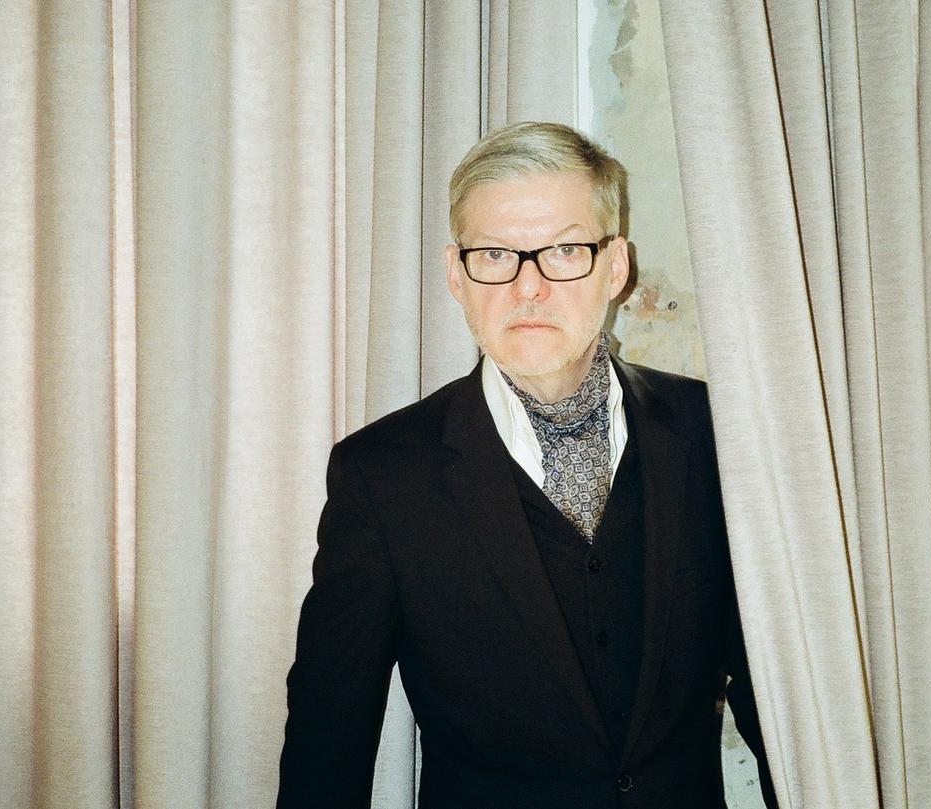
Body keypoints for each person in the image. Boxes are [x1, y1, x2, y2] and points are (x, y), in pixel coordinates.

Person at [277, 121, 776, 808]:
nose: (529, 286)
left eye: (566, 250)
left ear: (616, 266)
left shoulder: (715, 432)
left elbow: (777, 696)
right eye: (495, 254)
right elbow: (326, 749)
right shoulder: (381, 477)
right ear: (456, 274)